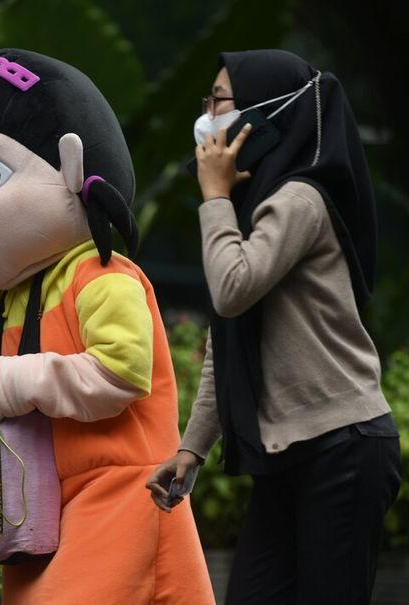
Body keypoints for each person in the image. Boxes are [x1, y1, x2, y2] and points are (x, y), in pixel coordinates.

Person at [0, 49, 214, 604]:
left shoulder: (103, 275)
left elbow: (122, 372)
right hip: (37, 511)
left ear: (71, 165)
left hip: (120, 494)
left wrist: (4, 382)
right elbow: (0, 393)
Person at [146, 50, 401, 604]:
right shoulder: (252, 205)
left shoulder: (300, 200)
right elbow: (229, 338)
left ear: (265, 112)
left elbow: (233, 290)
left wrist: (214, 197)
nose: (207, 115)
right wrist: (192, 450)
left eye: (219, 100)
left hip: (344, 448)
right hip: (288, 454)